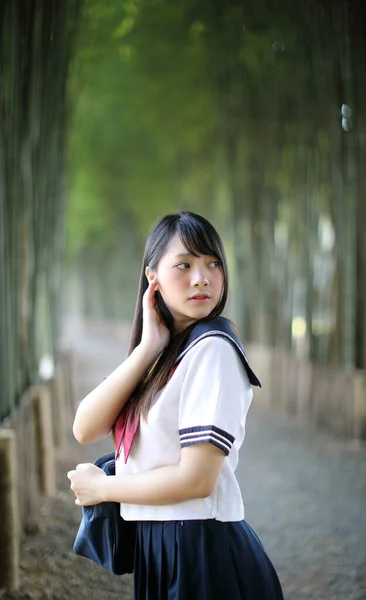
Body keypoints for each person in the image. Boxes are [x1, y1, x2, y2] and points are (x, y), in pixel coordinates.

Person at [68, 211, 284, 599]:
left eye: (213, 263)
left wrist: (105, 488)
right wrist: (148, 347)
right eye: (184, 264)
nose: (202, 278)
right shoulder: (168, 353)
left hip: (200, 550)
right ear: (153, 278)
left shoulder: (213, 350)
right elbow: (85, 427)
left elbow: (196, 480)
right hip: (168, 545)